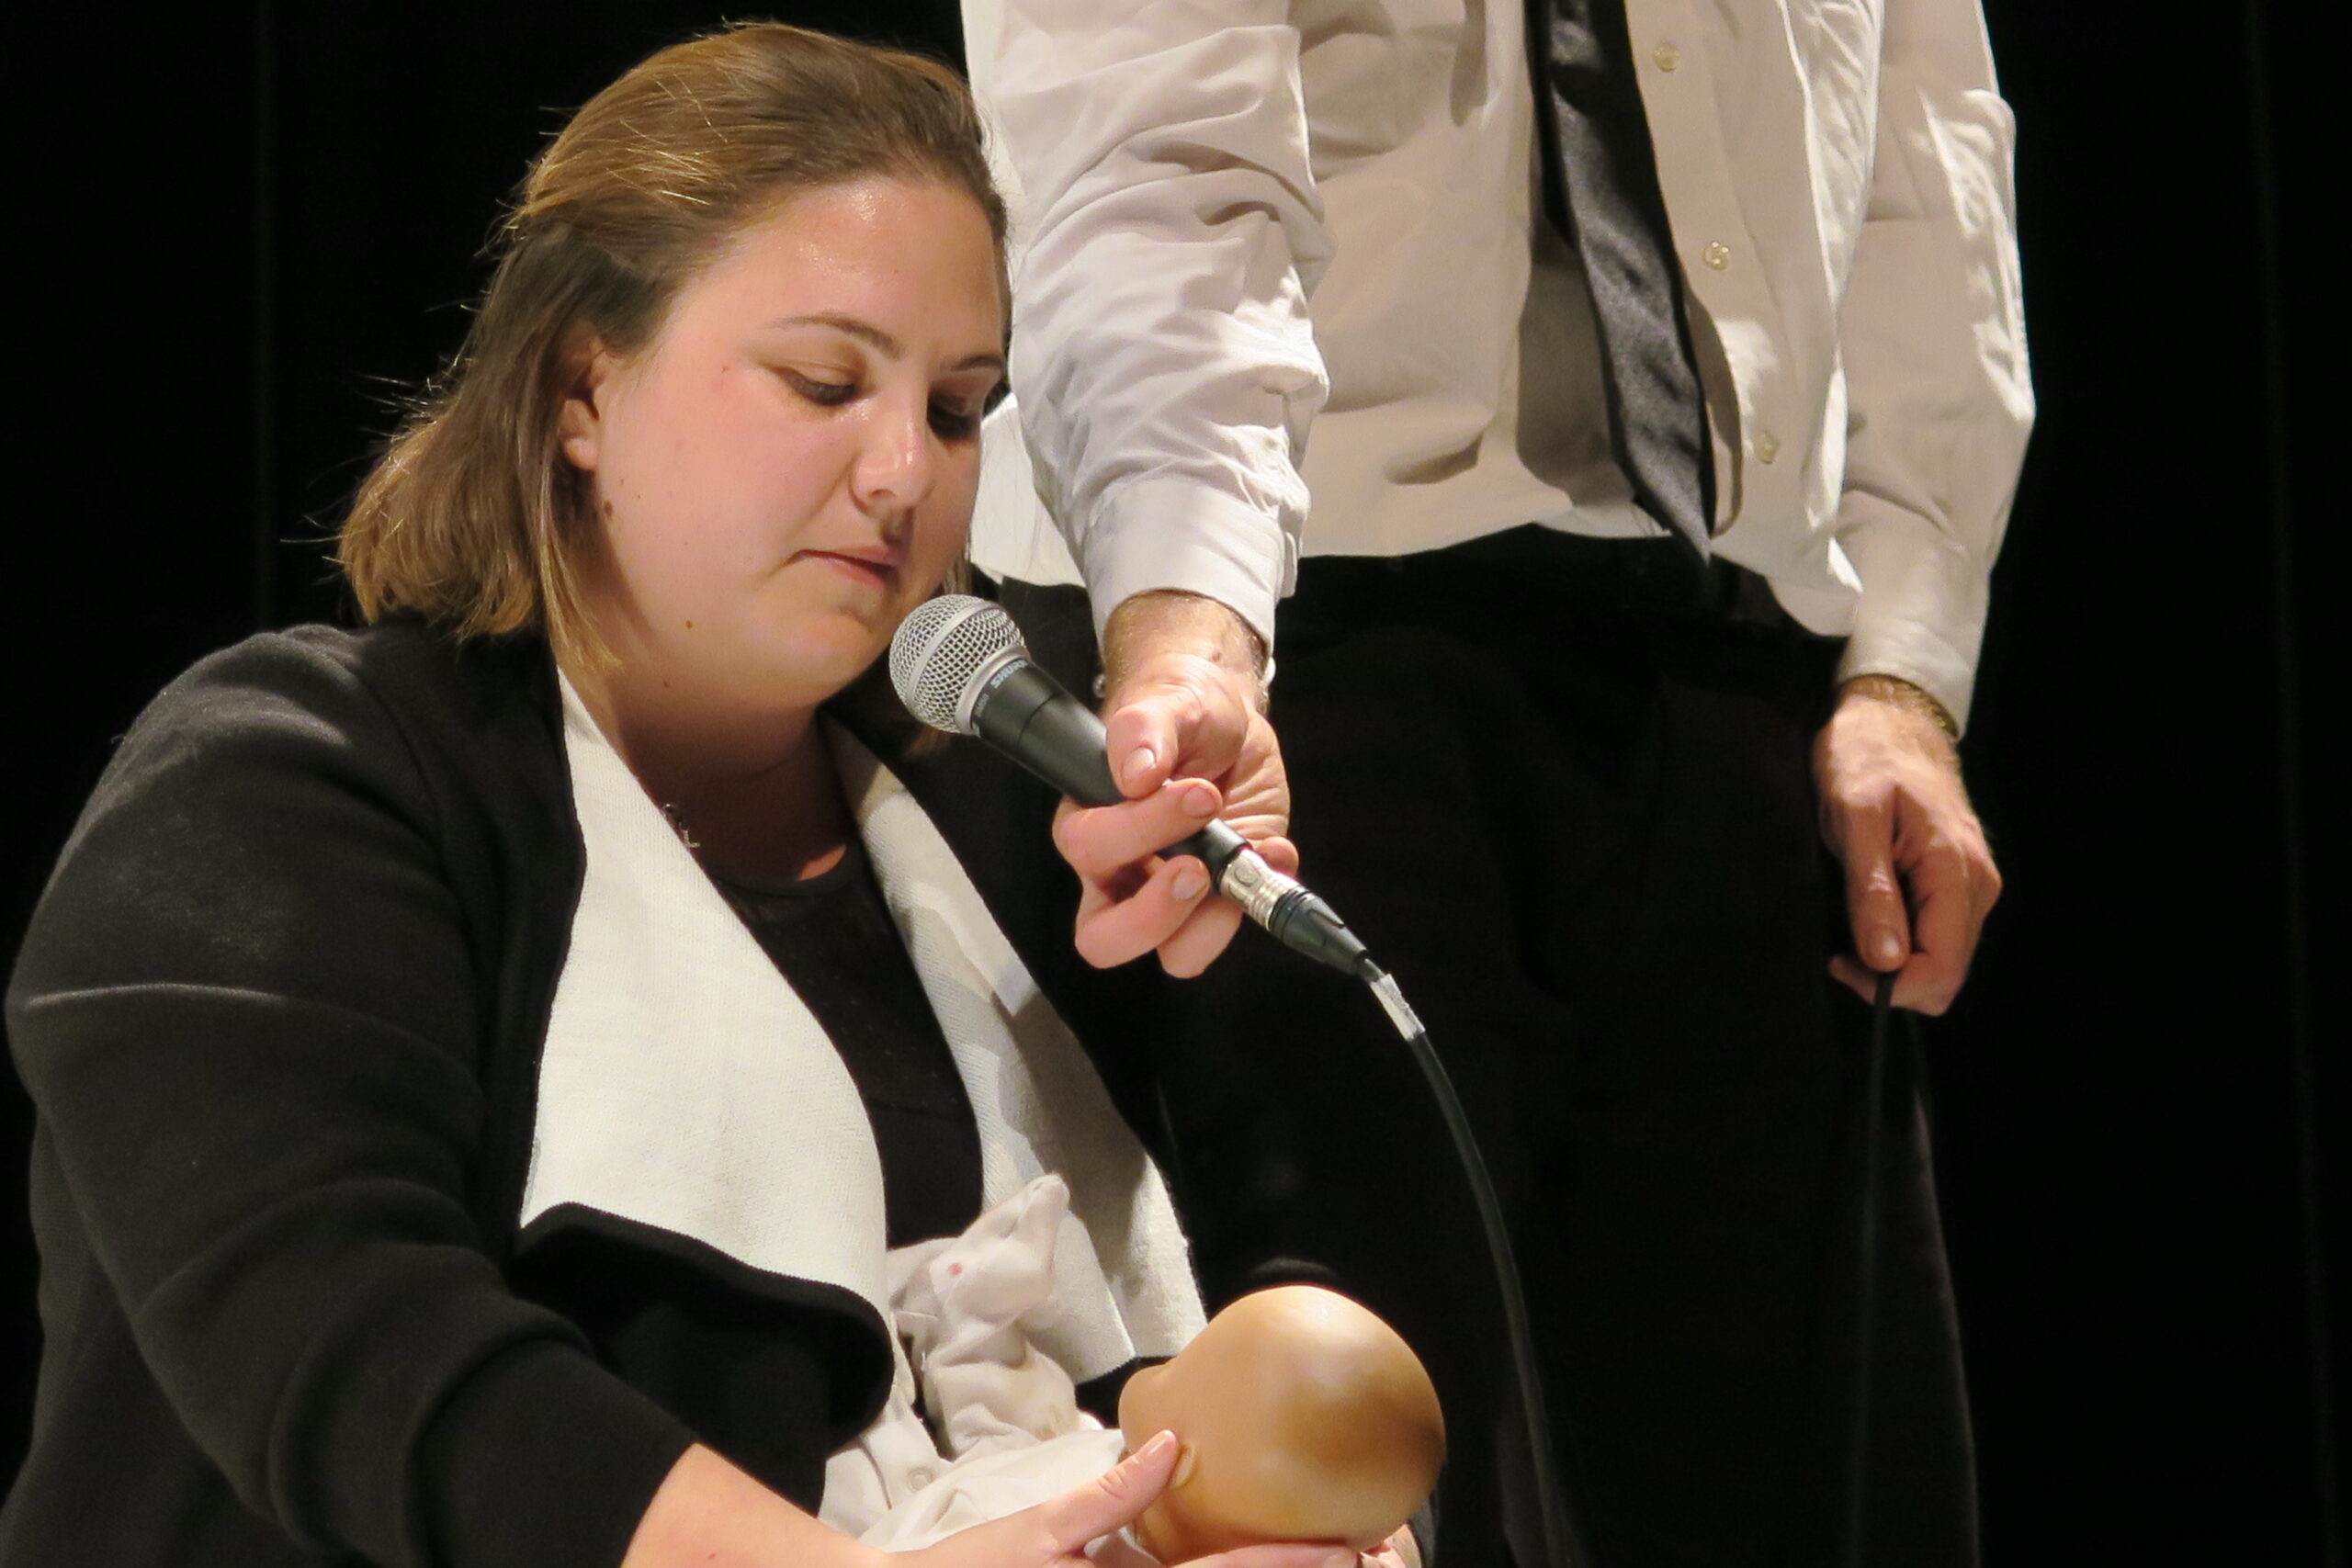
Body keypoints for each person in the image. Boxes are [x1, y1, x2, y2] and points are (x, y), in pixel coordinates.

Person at [0, 25, 1378, 1568]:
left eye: (951, 409)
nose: (900, 475)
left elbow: (1255, 1318)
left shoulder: (1020, 814)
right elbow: (365, 1351)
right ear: (583, 386)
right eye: (824, 380)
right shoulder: (286, 783)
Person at [959, 2, 2030, 1563]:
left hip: (1732, 659)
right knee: (1347, 1480)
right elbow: (1152, 170)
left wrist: (1899, 670)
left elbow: (1927, 161)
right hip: (1305, 651)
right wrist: (1192, 638)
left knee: (1816, 1487)